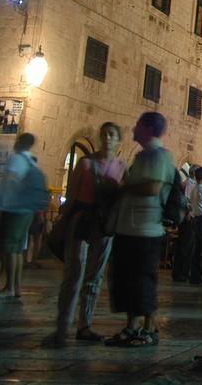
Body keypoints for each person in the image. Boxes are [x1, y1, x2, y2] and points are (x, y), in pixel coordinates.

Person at [45, 123, 127, 346]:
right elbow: (71, 197)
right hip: (81, 221)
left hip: (104, 225)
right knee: (74, 274)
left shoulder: (121, 166)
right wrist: (62, 223)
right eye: (104, 135)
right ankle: (62, 327)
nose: (107, 138)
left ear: (119, 140)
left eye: (112, 135)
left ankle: (85, 326)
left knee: (94, 276)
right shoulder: (85, 163)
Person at [105, 112, 176, 347]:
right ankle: (131, 327)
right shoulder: (143, 155)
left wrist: (123, 187)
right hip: (130, 229)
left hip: (147, 231)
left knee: (144, 280)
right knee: (127, 280)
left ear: (146, 128)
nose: (133, 127)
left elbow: (153, 187)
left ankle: (149, 330)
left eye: (137, 124)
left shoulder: (159, 155)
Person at [0, 133, 46, 299]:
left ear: (19, 142)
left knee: (9, 248)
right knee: (18, 249)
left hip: (14, 209)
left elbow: (11, 181)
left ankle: (9, 287)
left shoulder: (16, 159)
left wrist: (2, 202)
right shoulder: (30, 160)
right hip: (27, 211)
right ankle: (17, 287)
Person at [188, 166, 202, 284]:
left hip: (196, 218)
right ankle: (200, 275)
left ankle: (194, 275)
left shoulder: (194, 189)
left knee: (196, 249)